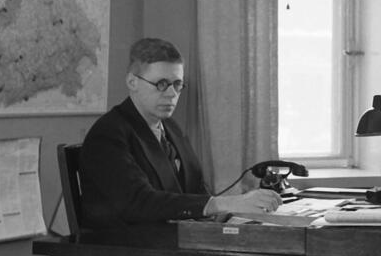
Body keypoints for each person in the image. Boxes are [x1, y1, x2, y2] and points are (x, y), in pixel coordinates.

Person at [80, 37, 281, 228]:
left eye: (177, 84)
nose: (172, 94)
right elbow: (139, 202)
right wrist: (224, 204)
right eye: (161, 84)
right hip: (128, 252)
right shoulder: (108, 135)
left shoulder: (170, 128)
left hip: (174, 241)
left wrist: (235, 216)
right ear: (132, 82)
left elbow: (196, 190)